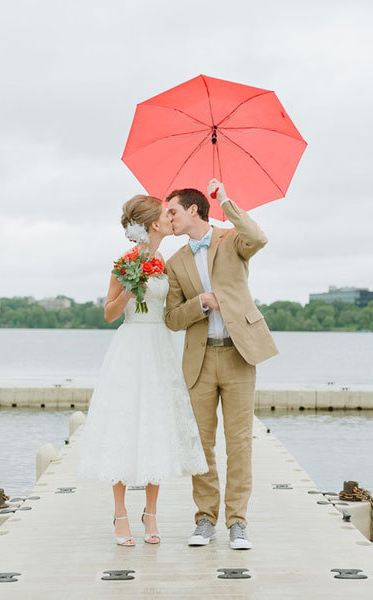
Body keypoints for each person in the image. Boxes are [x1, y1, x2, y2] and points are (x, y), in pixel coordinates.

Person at [77, 194, 208, 547]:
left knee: (157, 427)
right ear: (153, 224)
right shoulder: (125, 262)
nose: (170, 218)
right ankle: (120, 514)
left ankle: (150, 513)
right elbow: (108, 313)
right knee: (124, 426)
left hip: (161, 349)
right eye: (166, 214)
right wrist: (129, 292)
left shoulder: (165, 260)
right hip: (131, 347)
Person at [165, 178, 278, 550]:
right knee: (201, 444)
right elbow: (172, 319)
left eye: (173, 211)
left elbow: (258, 238)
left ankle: (237, 522)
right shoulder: (174, 261)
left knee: (239, 443)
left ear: (193, 210)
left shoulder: (231, 240)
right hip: (199, 360)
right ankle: (204, 519)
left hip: (238, 354)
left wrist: (227, 200)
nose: (169, 218)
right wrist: (201, 303)